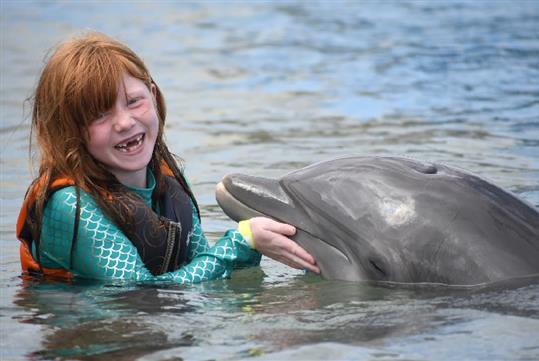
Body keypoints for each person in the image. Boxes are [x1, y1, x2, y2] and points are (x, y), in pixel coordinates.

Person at [16, 32, 319, 283]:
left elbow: (207, 272)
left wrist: (255, 245)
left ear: (153, 94)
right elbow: (144, 295)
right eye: (99, 115)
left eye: (134, 101)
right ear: (68, 130)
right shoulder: (72, 206)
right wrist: (240, 242)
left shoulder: (166, 177)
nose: (124, 122)